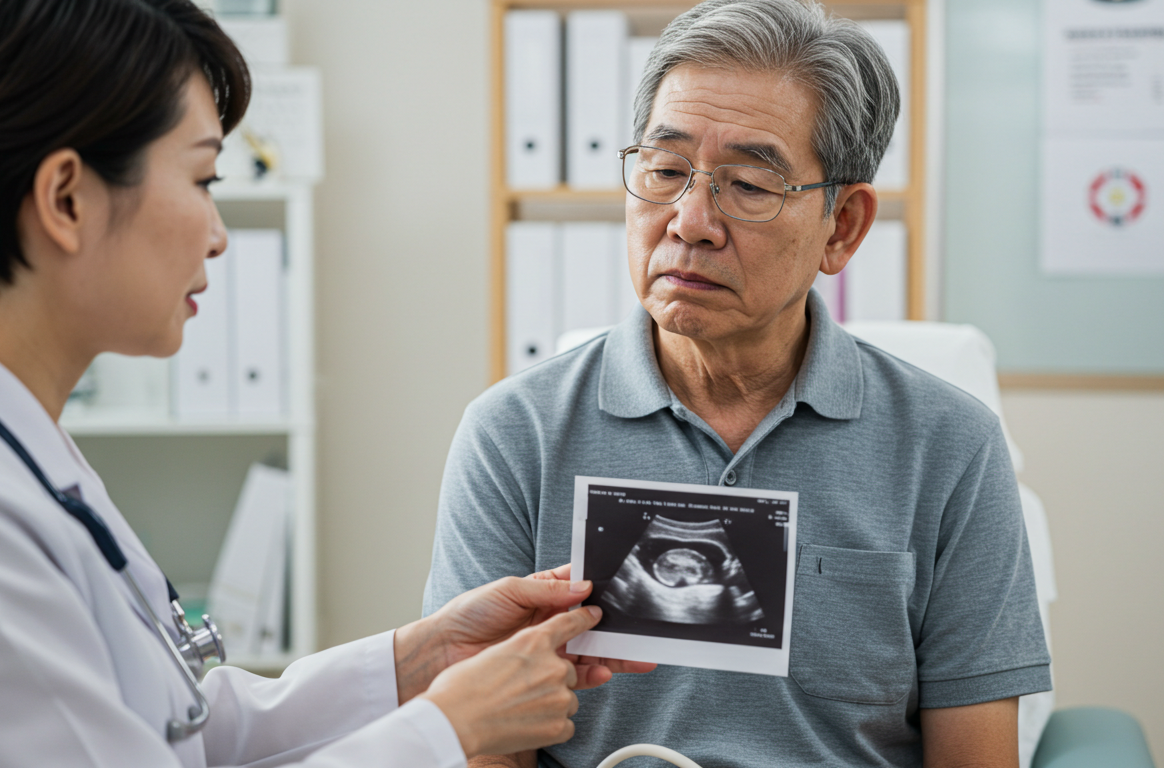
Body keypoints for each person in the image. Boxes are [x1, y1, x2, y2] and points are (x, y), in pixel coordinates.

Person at [0, 1, 650, 766]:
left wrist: (423, 659)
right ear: (67, 199)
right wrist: (447, 729)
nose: (219, 234)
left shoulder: (8, 441)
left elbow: (176, 723)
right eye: (200, 178)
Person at [423, 1, 1052, 767]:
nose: (689, 221)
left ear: (843, 226)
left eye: (749, 184)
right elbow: (483, 745)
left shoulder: (951, 447)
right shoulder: (513, 435)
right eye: (664, 171)